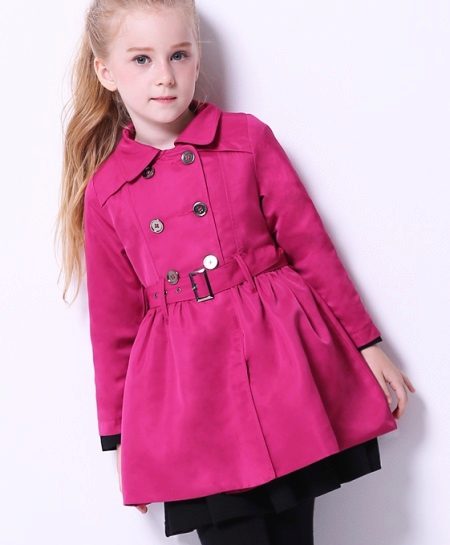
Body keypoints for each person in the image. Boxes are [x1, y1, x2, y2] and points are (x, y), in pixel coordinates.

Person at [56, 1, 416, 543]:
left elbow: (311, 248)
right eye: (142, 59)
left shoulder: (246, 139)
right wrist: (119, 437)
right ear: (106, 71)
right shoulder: (107, 192)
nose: (164, 75)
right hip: (192, 393)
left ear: (197, 59)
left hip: (280, 368)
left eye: (179, 54)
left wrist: (367, 343)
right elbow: (113, 326)